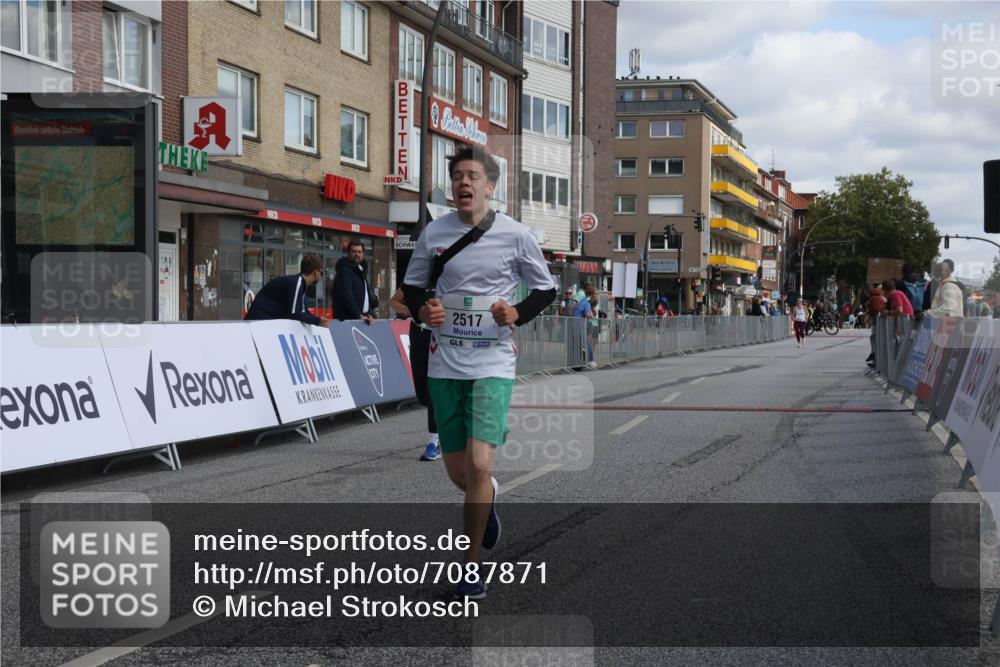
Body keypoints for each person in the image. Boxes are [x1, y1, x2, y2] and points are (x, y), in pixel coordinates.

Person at [402, 145, 556, 600]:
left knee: (481, 463)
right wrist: (424, 310)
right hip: (445, 363)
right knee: (460, 476)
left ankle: (470, 569)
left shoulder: (516, 235)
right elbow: (411, 288)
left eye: (472, 176)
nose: (463, 183)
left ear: (491, 186)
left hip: (493, 363)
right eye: (457, 177)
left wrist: (517, 313)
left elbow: (545, 290)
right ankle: (485, 500)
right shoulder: (434, 233)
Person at [389, 288, 440, 461]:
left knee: (434, 389)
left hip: (442, 335)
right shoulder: (417, 277)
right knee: (423, 394)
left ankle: (434, 442)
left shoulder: (448, 272)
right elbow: (393, 301)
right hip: (419, 333)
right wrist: (415, 311)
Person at [245, 255, 331, 327]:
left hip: (263, 319)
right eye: (321, 272)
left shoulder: (300, 283)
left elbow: (304, 311)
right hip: (258, 320)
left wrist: (319, 320)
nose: (321, 275)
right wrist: (318, 321)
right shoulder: (297, 283)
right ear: (315, 272)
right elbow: (294, 313)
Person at [333, 240, 376, 323]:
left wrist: (370, 313)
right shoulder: (344, 271)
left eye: (359, 252)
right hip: (348, 321)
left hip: (361, 319)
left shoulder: (360, 271)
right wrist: (358, 315)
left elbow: (365, 296)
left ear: (363, 254)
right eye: (353, 251)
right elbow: (346, 296)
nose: (357, 254)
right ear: (348, 253)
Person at [574, 286, 598, 368]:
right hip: (580, 325)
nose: (597, 295)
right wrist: (591, 313)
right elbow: (590, 315)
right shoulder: (587, 302)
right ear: (592, 294)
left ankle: (581, 361)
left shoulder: (583, 301)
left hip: (577, 324)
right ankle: (590, 361)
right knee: (587, 343)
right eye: (596, 294)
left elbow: (593, 313)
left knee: (582, 343)